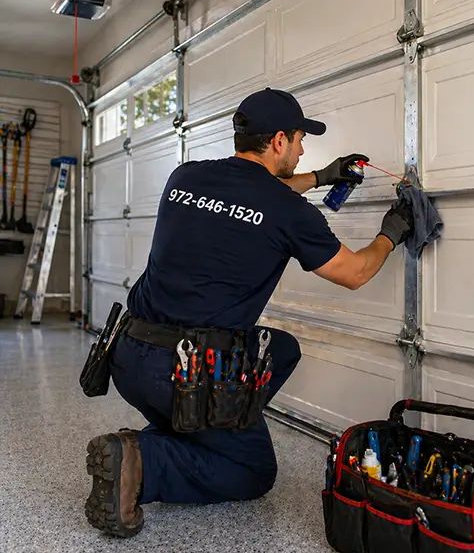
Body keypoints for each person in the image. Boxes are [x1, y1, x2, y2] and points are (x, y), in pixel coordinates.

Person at [84, 87, 415, 538]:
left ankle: (188, 429)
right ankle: (145, 461)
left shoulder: (185, 177)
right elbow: (355, 272)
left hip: (127, 357)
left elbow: (256, 195)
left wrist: (322, 177)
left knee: (282, 350)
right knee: (253, 471)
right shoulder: (288, 211)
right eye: (300, 140)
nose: (302, 151)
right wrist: (391, 232)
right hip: (183, 375)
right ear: (279, 141)